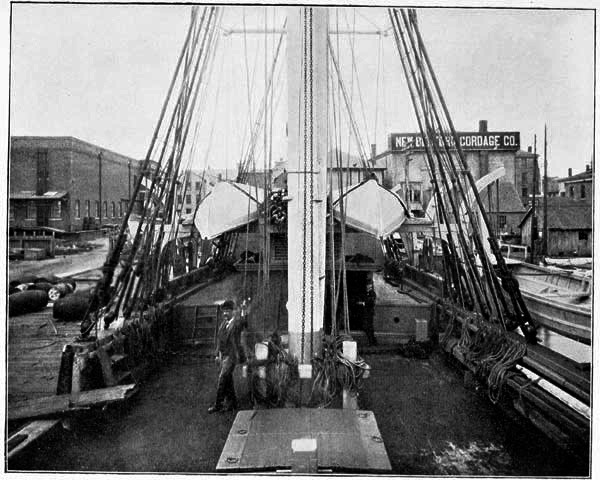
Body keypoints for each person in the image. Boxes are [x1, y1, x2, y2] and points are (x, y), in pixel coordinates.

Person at [208, 299, 249, 413]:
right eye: (224, 311)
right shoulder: (223, 325)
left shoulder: (236, 323)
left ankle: (218, 405)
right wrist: (217, 355)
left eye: (227, 311)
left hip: (232, 356)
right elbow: (219, 341)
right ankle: (232, 403)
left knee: (222, 379)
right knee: (228, 380)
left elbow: (243, 323)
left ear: (233, 312)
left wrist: (244, 312)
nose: (225, 313)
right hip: (224, 356)